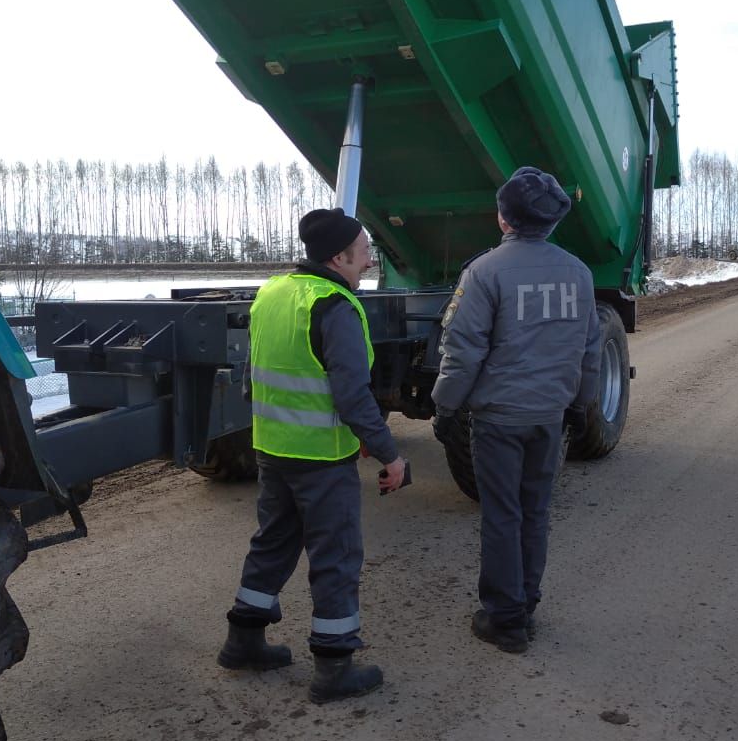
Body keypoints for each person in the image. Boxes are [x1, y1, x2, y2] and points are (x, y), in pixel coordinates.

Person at [218, 207, 407, 703]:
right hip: (322, 459)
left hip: (273, 449)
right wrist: (391, 455)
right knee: (336, 555)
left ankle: (243, 640)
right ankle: (334, 665)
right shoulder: (335, 305)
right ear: (340, 256)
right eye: (364, 252)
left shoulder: (273, 293)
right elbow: (352, 395)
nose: (369, 261)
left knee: (273, 542)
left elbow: (251, 375)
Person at [431, 166, 601, 653]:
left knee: (502, 515)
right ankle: (526, 604)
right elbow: (589, 350)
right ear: (551, 221)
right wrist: (580, 404)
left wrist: (444, 409)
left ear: (504, 219)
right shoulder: (579, 273)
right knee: (535, 512)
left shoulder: (484, 272)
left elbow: (462, 352)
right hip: (550, 416)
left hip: (499, 419)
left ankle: (504, 619)